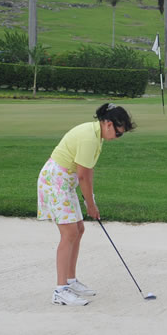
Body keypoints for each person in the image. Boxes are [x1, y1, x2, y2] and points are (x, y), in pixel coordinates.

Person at [37, 102, 136, 306]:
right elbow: (83, 176)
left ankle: (70, 281)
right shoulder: (90, 138)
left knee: (79, 229)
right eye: (118, 133)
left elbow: (86, 173)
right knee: (69, 233)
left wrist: (92, 201)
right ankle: (60, 290)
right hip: (55, 181)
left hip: (65, 182)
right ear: (108, 124)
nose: (118, 137)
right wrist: (90, 205)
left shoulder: (96, 135)